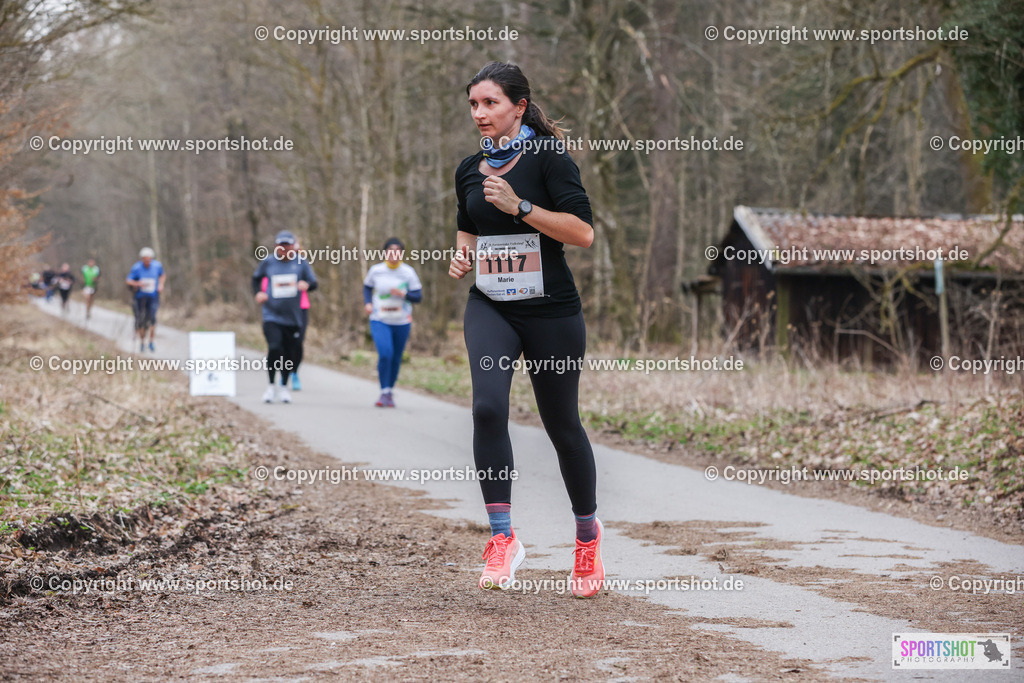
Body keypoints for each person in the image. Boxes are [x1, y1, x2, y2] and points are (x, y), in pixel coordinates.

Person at [448, 61, 603, 597]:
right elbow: (469, 230)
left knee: (562, 424)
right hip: (491, 305)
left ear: (518, 106)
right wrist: (462, 257)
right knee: (488, 407)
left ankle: (586, 537)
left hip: (552, 311)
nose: (479, 113)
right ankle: (502, 536)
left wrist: (523, 207)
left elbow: (582, 233)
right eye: (473, 104)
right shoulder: (469, 168)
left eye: (489, 103)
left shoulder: (549, 160)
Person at [253, 231, 317, 404]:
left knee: (290, 352)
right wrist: (258, 293)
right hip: (271, 315)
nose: (284, 249)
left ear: (293, 246)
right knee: (274, 348)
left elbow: (313, 283)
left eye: (287, 245)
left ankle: (283, 385)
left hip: (294, 316)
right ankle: (271, 385)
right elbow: (255, 278)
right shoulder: (268, 262)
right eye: (281, 246)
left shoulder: (301, 262)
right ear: (276, 246)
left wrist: (307, 285)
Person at [363, 237, 422, 407]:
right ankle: (383, 391)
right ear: (385, 253)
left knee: (396, 357)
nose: (394, 255)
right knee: (386, 353)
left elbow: (418, 297)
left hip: (402, 321)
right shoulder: (376, 270)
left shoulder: (408, 272)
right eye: (390, 251)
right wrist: (368, 303)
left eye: (397, 252)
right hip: (379, 319)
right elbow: (367, 287)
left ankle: (389, 391)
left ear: (402, 254)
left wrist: (403, 294)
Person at [126, 247, 165, 352]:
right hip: (140, 297)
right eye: (145, 259)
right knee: (140, 320)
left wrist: (161, 285)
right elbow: (128, 280)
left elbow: (162, 275)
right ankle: (142, 341)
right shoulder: (136, 268)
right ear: (142, 259)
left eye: (149, 259)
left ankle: (151, 341)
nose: (147, 261)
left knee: (152, 319)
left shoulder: (157, 266)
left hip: (153, 297)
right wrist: (137, 283)